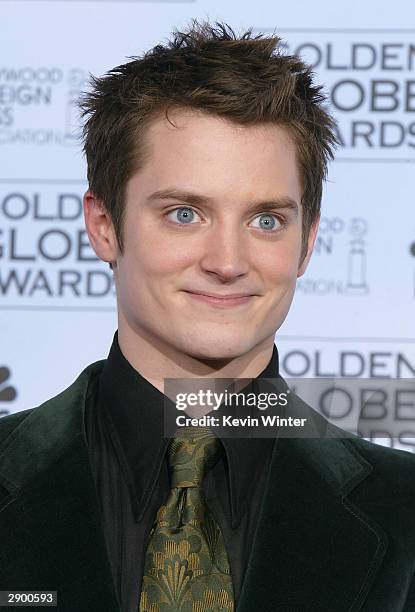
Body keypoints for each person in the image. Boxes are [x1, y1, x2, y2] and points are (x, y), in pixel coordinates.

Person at [0, 20, 414, 612]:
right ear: (104, 224)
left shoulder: (404, 512)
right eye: (184, 214)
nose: (227, 262)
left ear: (308, 241)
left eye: (266, 220)